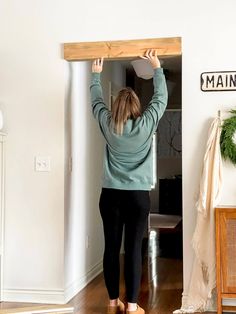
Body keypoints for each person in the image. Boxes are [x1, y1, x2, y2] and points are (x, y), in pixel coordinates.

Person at [90, 49, 168, 314]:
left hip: (110, 195)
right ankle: (133, 306)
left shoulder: (108, 124)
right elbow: (160, 99)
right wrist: (157, 68)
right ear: (135, 106)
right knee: (134, 249)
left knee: (112, 247)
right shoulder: (146, 124)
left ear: (116, 108)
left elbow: (96, 103)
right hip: (137, 197)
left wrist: (95, 76)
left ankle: (113, 303)